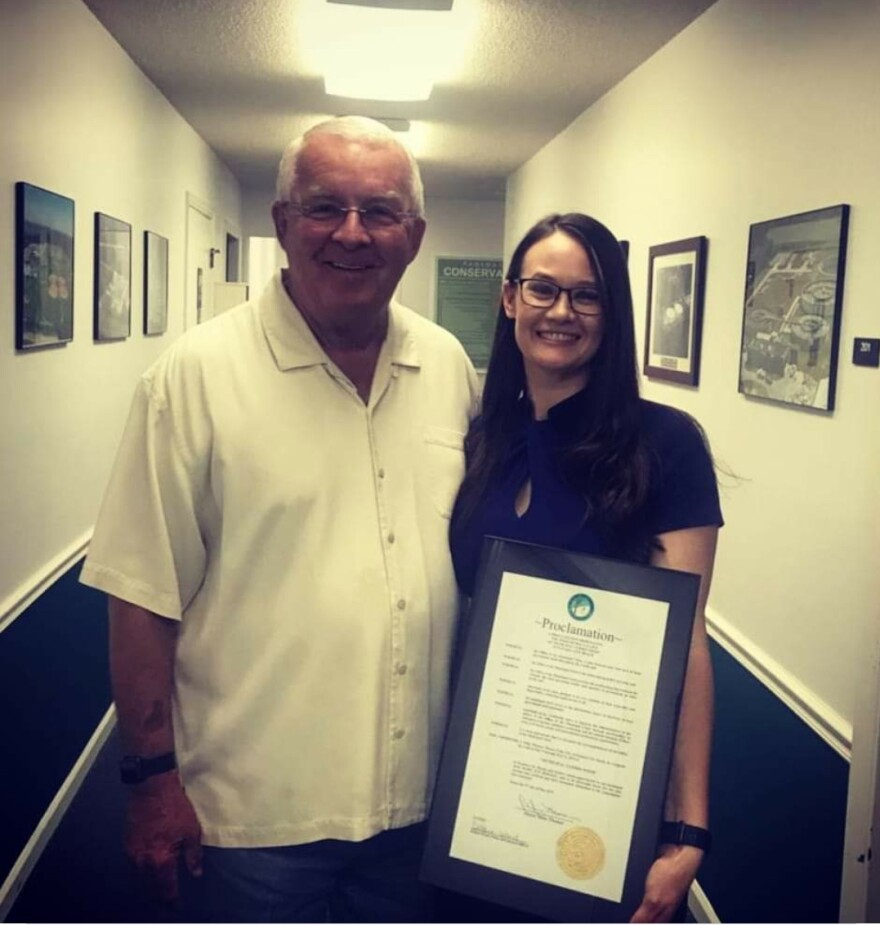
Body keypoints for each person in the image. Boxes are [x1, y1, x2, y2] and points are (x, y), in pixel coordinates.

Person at [80, 116, 479, 923]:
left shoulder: (448, 368)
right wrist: (151, 783)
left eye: (382, 212)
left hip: (421, 812)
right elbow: (139, 596)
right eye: (326, 206)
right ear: (282, 222)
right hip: (250, 822)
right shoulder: (192, 378)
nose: (353, 234)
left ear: (415, 235)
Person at [447, 213, 722, 923]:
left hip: (602, 797)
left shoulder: (665, 444)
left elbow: (685, 642)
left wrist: (688, 830)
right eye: (543, 289)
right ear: (509, 298)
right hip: (484, 788)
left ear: (613, 311)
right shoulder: (484, 437)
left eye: (587, 294)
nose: (562, 312)